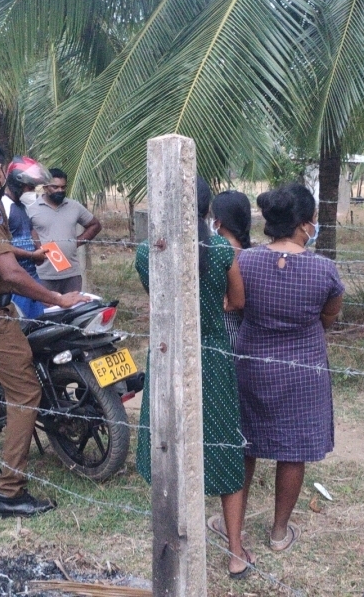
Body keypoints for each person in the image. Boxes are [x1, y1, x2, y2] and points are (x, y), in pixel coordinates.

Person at [0, 140, 88, 517]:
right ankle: (10, 492)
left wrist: (30, 254)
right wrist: (58, 299)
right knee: (25, 392)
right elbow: (7, 272)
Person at [135, 178, 254, 578]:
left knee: (168, 442)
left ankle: (172, 540)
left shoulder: (146, 252)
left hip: (168, 356)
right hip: (213, 357)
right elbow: (237, 301)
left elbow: (159, 297)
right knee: (223, 445)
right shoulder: (221, 250)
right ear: (208, 212)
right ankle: (236, 551)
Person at [234, 182, 344, 553]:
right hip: (303, 368)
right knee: (293, 449)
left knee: (244, 443)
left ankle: (234, 524)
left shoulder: (244, 261)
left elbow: (237, 304)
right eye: (313, 220)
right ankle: (279, 533)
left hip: (251, 363)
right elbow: (329, 318)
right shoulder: (325, 271)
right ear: (303, 225)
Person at [28, 168, 102, 293]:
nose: (60, 191)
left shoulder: (74, 206)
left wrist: (76, 242)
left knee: (73, 310)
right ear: (45, 187)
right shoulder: (31, 209)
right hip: (43, 275)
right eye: (55, 187)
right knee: (46, 311)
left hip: (72, 274)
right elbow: (25, 233)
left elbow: (95, 225)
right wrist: (36, 247)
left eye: (63, 187)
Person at [1, 156, 51, 319]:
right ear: (17, 184)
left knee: (39, 325)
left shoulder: (23, 207)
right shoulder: (3, 207)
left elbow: (30, 230)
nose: (32, 192)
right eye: (30, 187)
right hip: (16, 282)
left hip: (31, 277)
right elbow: (0, 248)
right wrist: (31, 255)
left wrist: (39, 249)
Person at [210, 190, 253, 351]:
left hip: (225, 328)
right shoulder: (249, 252)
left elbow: (235, 302)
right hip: (246, 330)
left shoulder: (220, 250)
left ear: (218, 221)